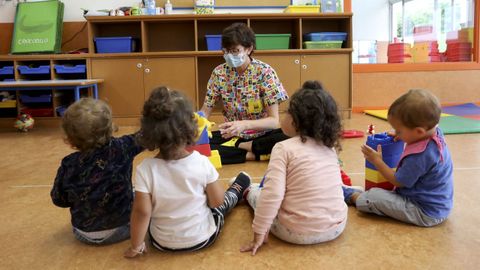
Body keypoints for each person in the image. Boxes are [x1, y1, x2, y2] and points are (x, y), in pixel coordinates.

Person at [124, 87, 251, 257]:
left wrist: (135, 246)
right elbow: (217, 202)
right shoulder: (200, 162)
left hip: (161, 243)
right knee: (223, 204)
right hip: (203, 238)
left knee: (141, 197)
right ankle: (238, 187)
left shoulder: (145, 169)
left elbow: (142, 213)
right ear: (191, 127)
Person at [240, 81, 348, 255]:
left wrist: (259, 232)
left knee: (258, 195)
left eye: (287, 112)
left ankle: (245, 191)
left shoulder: (283, 148)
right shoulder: (329, 146)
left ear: (296, 120)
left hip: (294, 233)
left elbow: (273, 195)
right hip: (336, 227)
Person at [344, 89, 453, 227]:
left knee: (374, 197)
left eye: (399, 130)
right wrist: (401, 133)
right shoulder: (434, 132)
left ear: (419, 131)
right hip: (440, 206)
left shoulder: (420, 156)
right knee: (384, 194)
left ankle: (352, 196)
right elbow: (416, 135)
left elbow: (397, 180)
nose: (397, 133)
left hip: (423, 211)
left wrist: (377, 161)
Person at [50, 98, 143, 245]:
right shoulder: (122, 147)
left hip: (82, 233)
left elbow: (59, 200)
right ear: (110, 127)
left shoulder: (69, 163)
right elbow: (144, 137)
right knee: (141, 195)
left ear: (70, 139)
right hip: (122, 229)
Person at [200, 22, 289, 164]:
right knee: (193, 146)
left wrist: (244, 125)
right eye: (226, 51)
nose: (229, 55)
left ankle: (238, 150)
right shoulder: (219, 73)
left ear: (249, 49)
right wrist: (196, 125)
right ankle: (252, 155)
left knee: (289, 138)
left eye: (235, 51)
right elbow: (205, 111)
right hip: (230, 135)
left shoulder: (265, 72)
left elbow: (273, 121)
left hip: (261, 134)